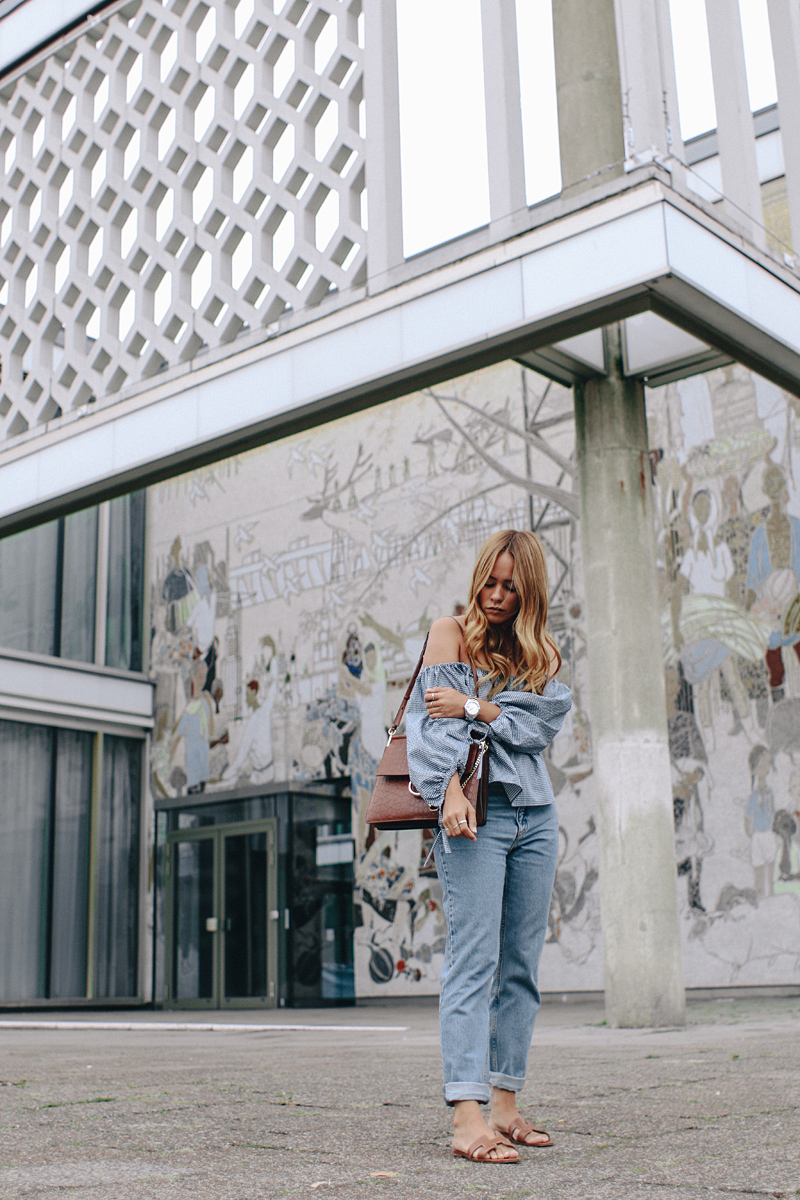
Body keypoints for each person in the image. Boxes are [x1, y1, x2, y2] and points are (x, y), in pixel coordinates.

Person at [406, 529, 571, 1164]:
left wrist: (477, 705)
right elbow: (430, 722)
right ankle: (466, 1116)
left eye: (511, 587)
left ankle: (504, 1107)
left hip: (537, 812)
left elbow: (538, 728)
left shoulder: (543, 654)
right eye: (489, 582)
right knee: (474, 960)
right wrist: (447, 790)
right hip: (475, 812)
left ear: (530, 593)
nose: (496, 596)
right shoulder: (450, 633)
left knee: (522, 967)